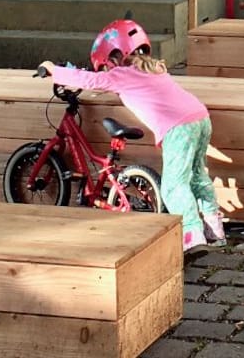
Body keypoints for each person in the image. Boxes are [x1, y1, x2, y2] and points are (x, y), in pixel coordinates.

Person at [40, 20, 224, 250]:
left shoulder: (121, 75)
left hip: (178, 128)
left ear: (114, 56)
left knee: (173, 185)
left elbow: (91, 81)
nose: (107, 71)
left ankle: (191, 234)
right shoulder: (151, 68)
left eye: (106, 65)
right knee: (197, 176)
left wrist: (53, 71)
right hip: (200, 117)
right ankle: (214, 228)